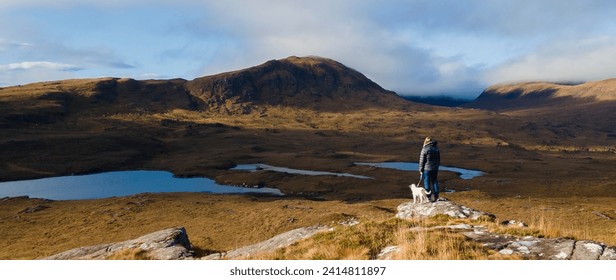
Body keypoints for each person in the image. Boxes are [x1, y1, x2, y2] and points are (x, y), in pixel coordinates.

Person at [419, 136, 440, 202]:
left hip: (427, 168)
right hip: (435, 168)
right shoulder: (436, 148)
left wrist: (420, 169)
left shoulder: (425, 149)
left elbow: (422, 160)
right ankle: (436, 197)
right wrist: (437, 166)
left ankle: (429, 197)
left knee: (426, 182)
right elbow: (438, 159)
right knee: (434, 181)